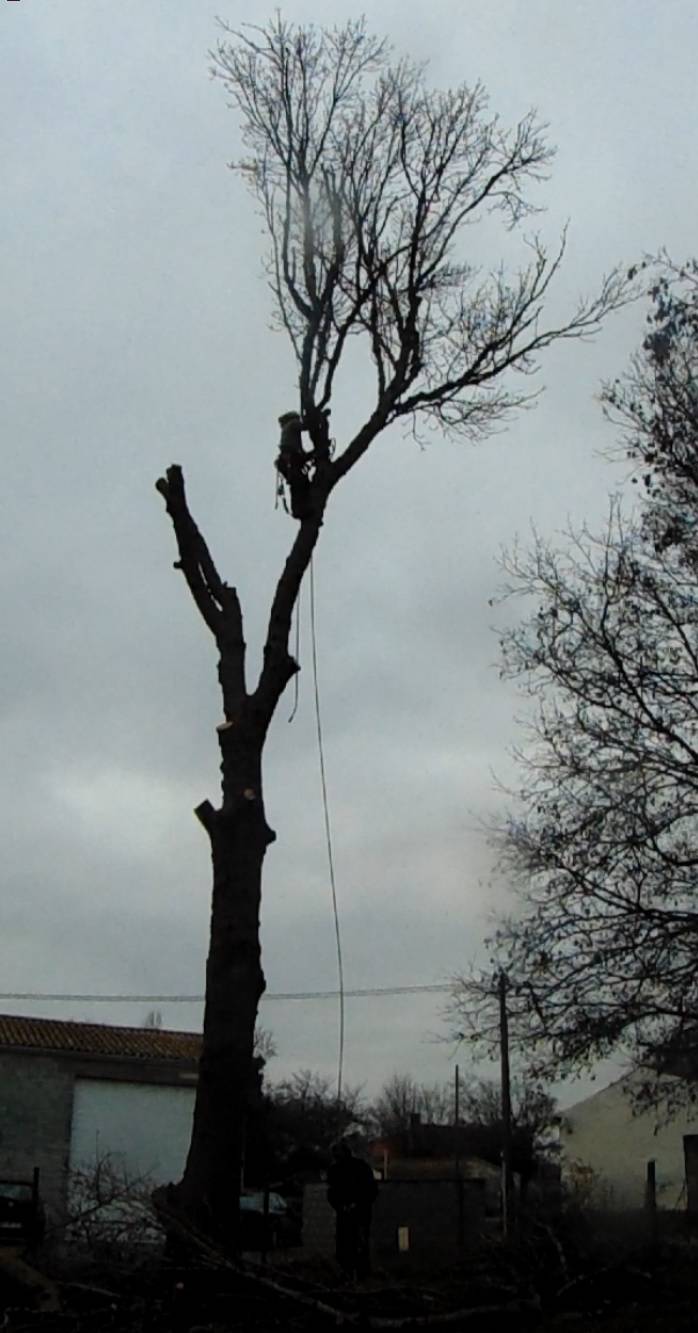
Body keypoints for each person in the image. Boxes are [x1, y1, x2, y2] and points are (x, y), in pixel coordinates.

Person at [326, 1141, 378, 1280]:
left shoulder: (358, 1168)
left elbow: (370, 1190)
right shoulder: (337, 1170)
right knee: (348, 1244)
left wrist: (354, 1205)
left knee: (356, 1244)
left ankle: (358, 1274)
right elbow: (332, 1193)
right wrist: (342, 1206)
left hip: (358, 1212)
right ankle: (351, 1273)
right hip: (349, 1212)